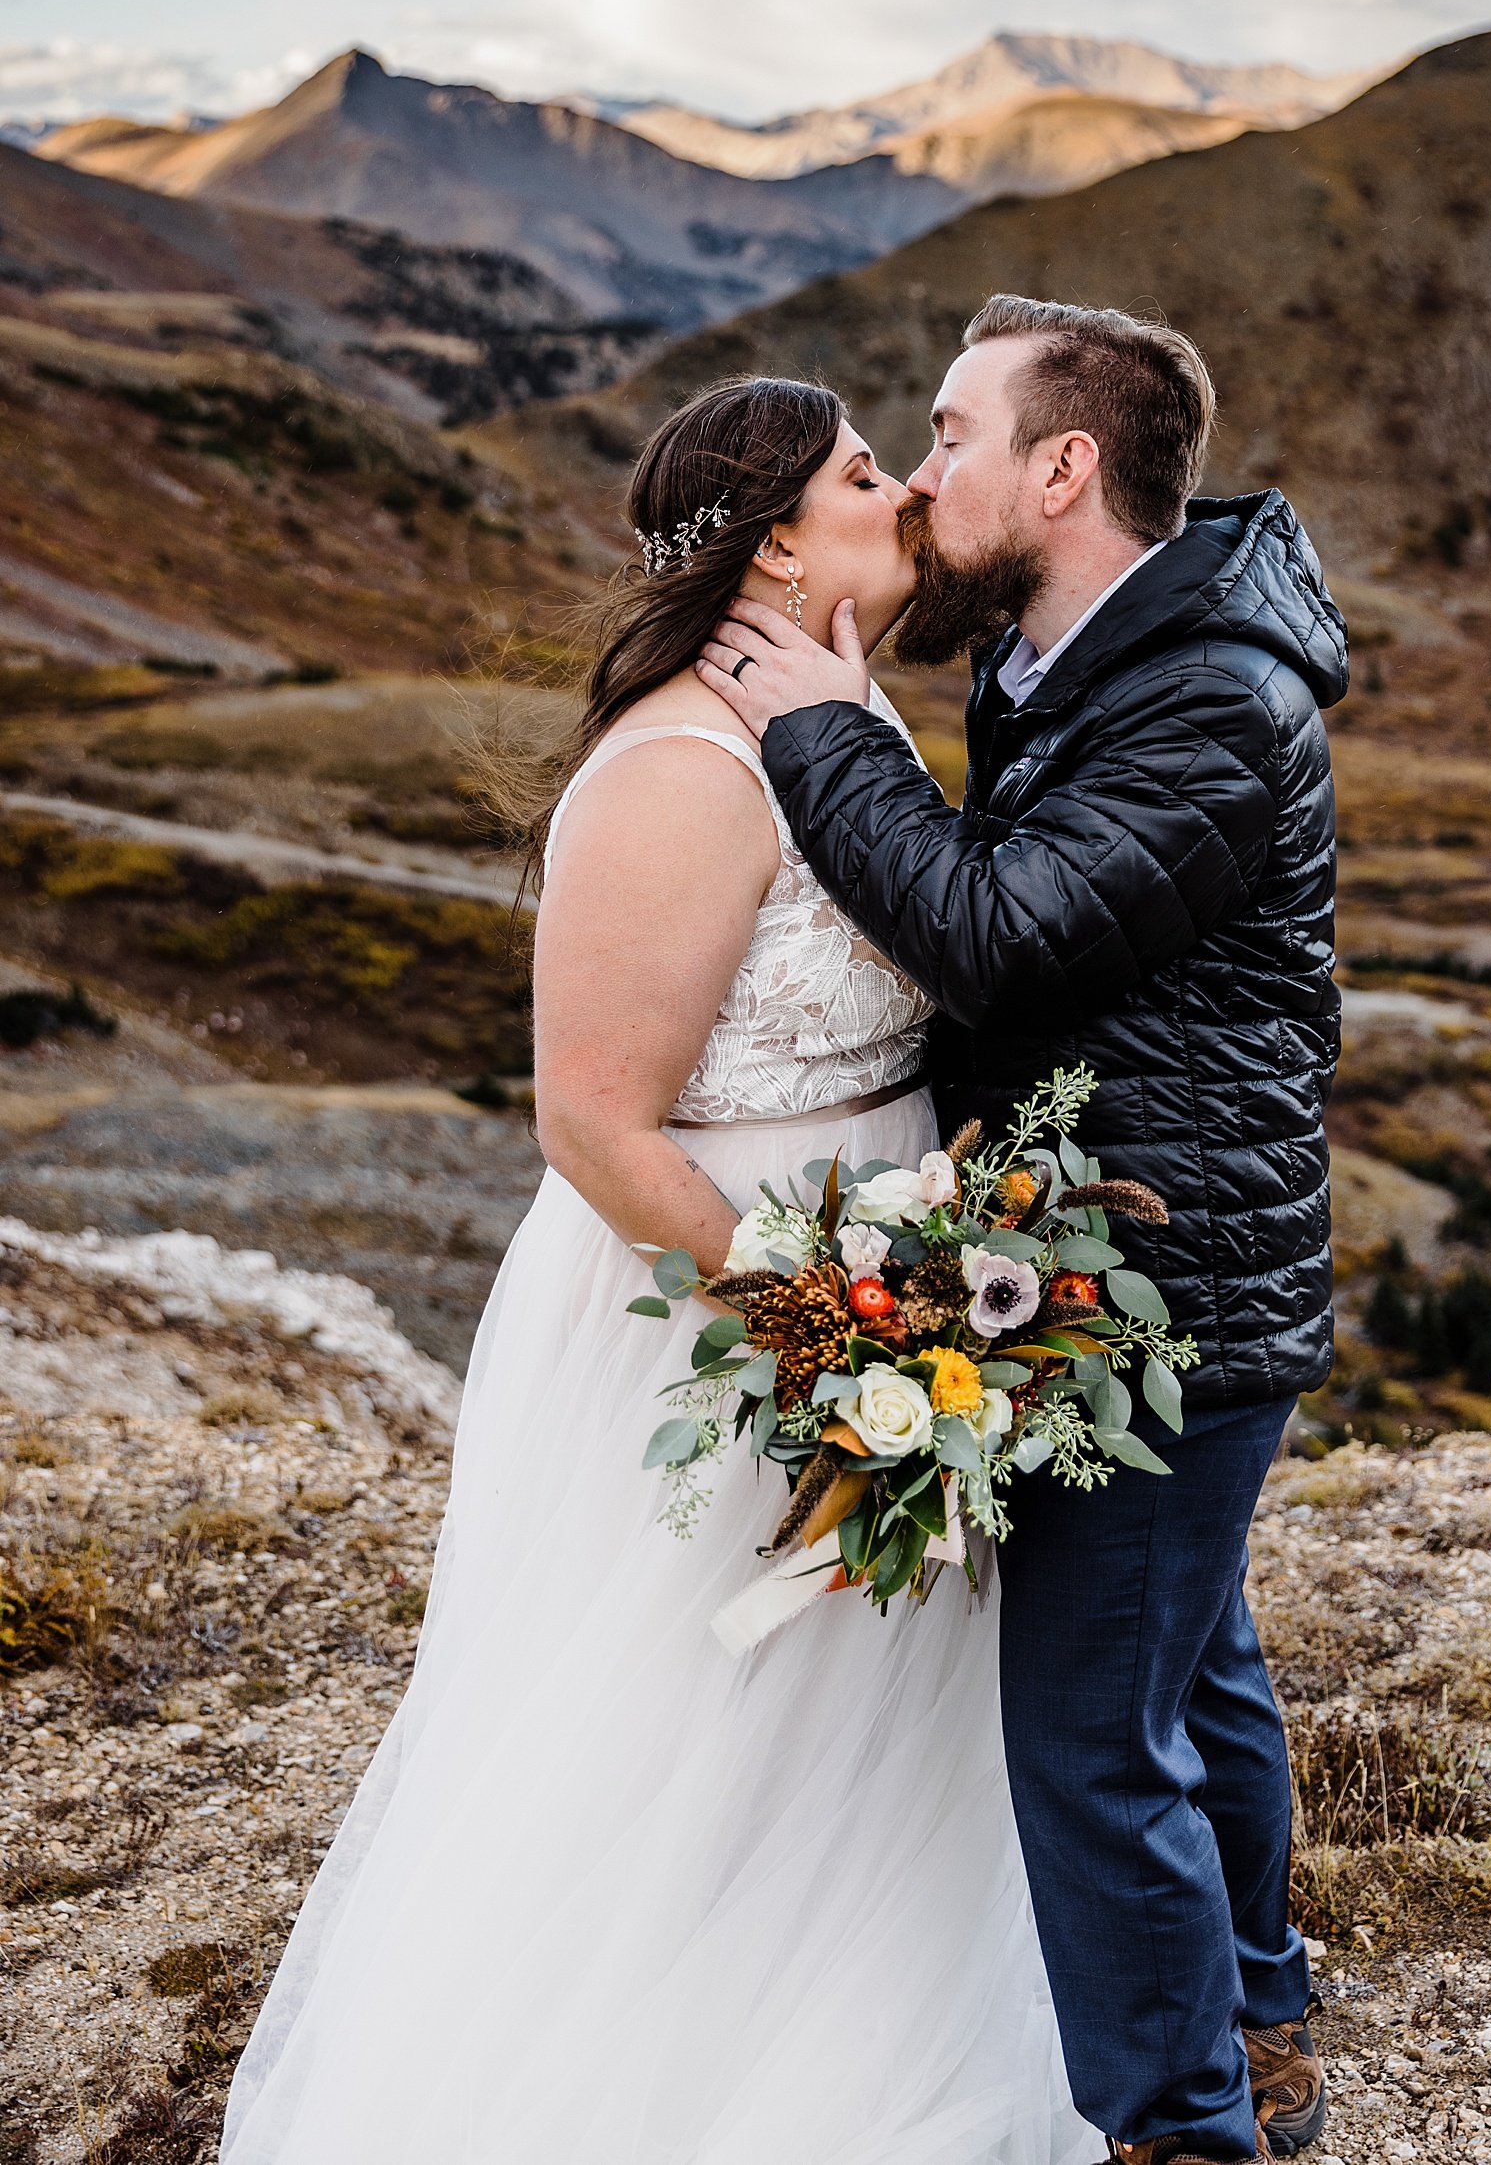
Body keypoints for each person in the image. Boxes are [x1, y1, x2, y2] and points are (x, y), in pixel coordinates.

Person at [221, 378, 1091, 2165]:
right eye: (871, 474)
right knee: (694, 1707)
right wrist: (835, 1330)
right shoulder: (682, 765)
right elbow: (597, 1125)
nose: (913, 495)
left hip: (891, 1263)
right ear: (776, 536)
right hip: (716, 1300)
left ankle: (845, 2046)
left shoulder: (836, 715)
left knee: (861, 1712)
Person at [700, 296, 1350, 2165]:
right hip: (1113, 1271)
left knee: (1088, 1742)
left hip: (1173, 1302)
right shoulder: (1058, 660)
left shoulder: (1215, 698)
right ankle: (1261, 2019)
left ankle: (1182, 2132)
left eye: (954, 434)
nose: (920, 476)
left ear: (1064, 468)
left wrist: (831, 733)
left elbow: (993, 931)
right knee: (1189, 1665)